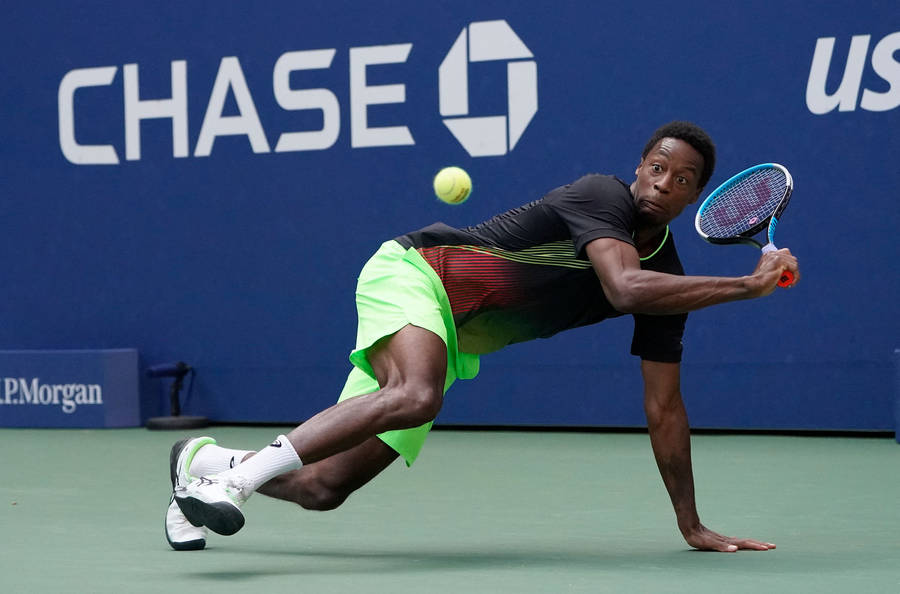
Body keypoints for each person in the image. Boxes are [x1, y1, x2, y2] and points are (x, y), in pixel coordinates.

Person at [166, 121, 798, 553]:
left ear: (694, 195)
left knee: (323, 488)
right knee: (417, 394)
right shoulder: (601, 195)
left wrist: (691, 524)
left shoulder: (672, 282)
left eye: (681, 179)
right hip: (415, 273)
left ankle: (205, 464)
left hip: (450, 336)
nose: (663, 183)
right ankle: (234, 486)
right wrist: (746, 287)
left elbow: (664, 408)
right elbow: (623, 288)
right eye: (657, 167)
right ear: (639, 168)